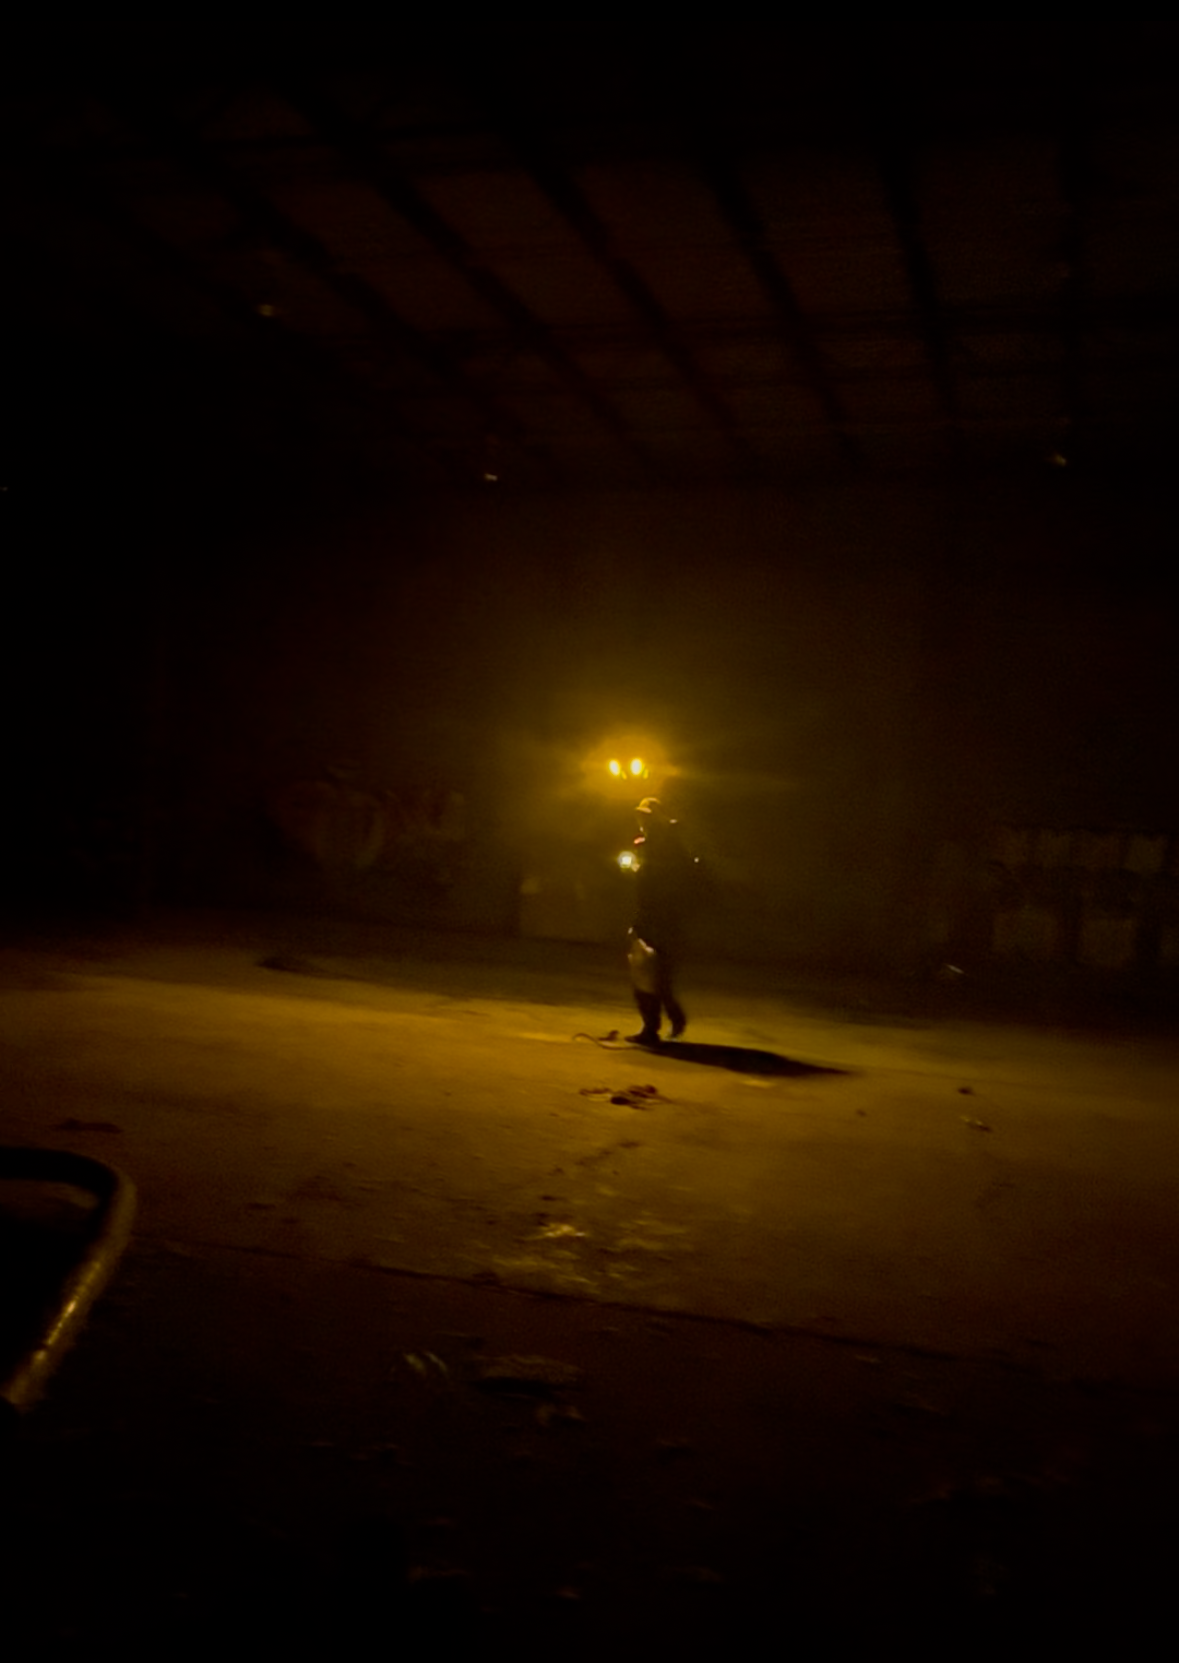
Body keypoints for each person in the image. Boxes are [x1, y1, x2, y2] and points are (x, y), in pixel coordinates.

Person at [627, 797, 693, 1046]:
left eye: (646, 816)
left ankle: (669, 1021)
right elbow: (642, 885)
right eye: (640, 816)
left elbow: (666, 885)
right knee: (646, 976)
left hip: (663, 920)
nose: (641, 820)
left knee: (657, 976)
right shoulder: (646, 844)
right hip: (650, 917)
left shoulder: (667, 845)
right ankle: (652, 1027)